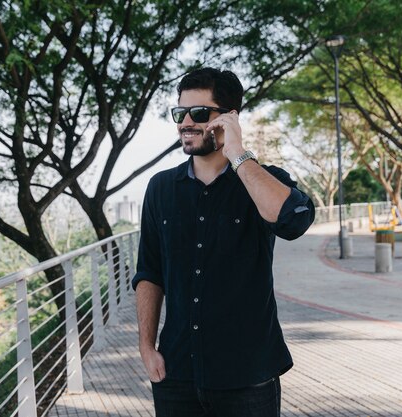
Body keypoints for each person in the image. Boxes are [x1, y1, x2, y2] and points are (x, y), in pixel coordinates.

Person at [132, 67, 315, 417]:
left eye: (199, 113)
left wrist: (237, 154)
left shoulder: (263, 180)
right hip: (176, 374)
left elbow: (294, 220)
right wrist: (145, 346)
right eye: (179, 113)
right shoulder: (160, 189)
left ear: (230, 118)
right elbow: (150, 272)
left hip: (247, 377)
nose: (186, 122)